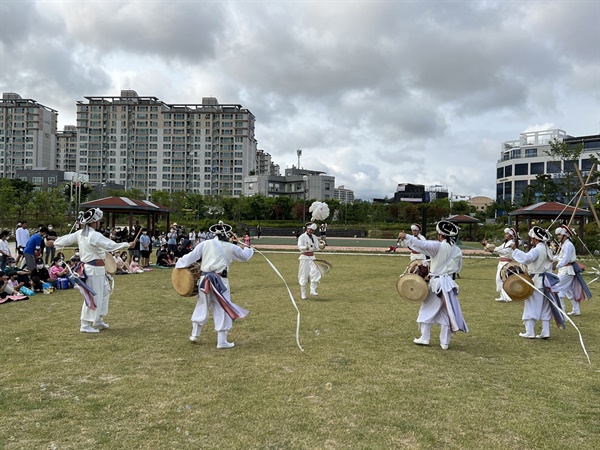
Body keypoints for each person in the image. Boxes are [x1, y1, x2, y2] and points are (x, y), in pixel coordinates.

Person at [175, 220, 254, 349]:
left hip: (204, 280)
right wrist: (248, 248)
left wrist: (179, 264)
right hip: (220, 281)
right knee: (221, 308)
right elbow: (244, 256)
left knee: (202, 305)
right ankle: (221, 341)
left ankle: (195, 334)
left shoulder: (204, 244)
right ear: (226, 234)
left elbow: (191, 257)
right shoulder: (231, 247)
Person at [54, 208, 134, 334]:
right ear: (94, 222)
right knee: (92, 297)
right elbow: (110, 245)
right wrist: (127, 245)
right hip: (92, 270)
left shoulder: (82, 233)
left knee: (105, 292)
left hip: (98, 269)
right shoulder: (92, 235)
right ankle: (85, 324)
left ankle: (97, 319)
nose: (99, 224)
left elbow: (66, 239)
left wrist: (56, 242)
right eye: (98, 221)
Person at [397, 220, 468, 350]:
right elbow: (457, 268)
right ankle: (444, 342)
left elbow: (421, 244)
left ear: (441, 235)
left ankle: (425, 337)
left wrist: (406, 236)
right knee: (446, 312)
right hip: (449, 284)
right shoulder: (457, 250)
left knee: (427, 309)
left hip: (437, 284)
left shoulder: (438, 246)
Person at [510, 226, 564, 339]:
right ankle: (545, 331)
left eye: (532, 238)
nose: (531, 240)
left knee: (531, 305)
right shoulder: (547, 249)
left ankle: (530, 332)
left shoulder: (537, 249)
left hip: (537, 281)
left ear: (535, 239)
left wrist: (515, 250)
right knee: (545, 306)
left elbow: (526, 258)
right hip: (546, 282)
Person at [553, 225, 591, 316]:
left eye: (559, 235)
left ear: (565, 235)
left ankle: (561, 311)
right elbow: (560, 257)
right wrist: (551, 259)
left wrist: (556, 266)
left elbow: (565, 259)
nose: (558, 236)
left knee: (558, 289)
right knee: (570, 291)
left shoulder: (568, 245)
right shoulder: (565, 245)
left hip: (567, 270)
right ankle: (576, 310)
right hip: (565, 269)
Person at [482, 227, 519, 302]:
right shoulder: (505, 243)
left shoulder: (512, 243)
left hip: (507, 264)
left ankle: (507, 297)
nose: (505, 235)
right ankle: (503, 296)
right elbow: (498, 249)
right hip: (501, 263)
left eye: (507, 234)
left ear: (511, 236)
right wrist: (487, 245)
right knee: (499, 280)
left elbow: (505, 252)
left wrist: (493, 249)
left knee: (502, 279)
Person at [297, 222, 322, 299]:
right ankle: (303, 293)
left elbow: (316, 247)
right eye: (310, 230)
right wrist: (305, 248)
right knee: (304, 275)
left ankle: (313, 289)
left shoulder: (314, 237)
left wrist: (321, 247)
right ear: (307, 229)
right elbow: (299, 246)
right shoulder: (302, 237)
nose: (311, 231)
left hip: (312, 257)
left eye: (313, 230)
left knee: (315, 272)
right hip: (304, 258)